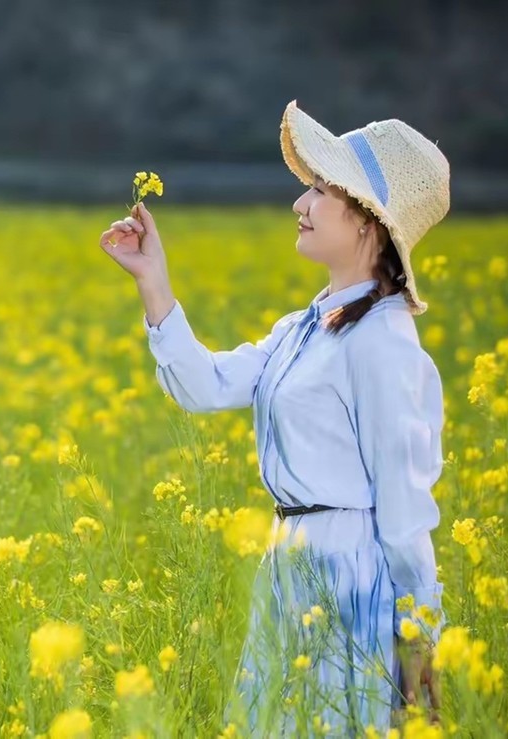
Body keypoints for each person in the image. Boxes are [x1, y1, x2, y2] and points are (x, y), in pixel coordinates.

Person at [98, 99, 452, 735]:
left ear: (369, 219)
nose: (300, 204)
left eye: (318, 189)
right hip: (292, 566)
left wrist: (421, 645)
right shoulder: (305, 328)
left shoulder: (382, 342)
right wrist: (153, 279)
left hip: (350, 579)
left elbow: (403, 509)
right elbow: (204, 386)